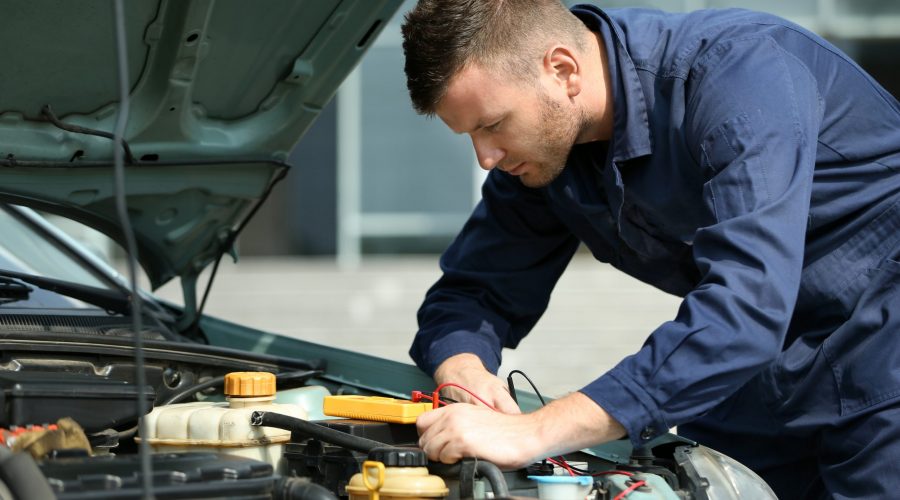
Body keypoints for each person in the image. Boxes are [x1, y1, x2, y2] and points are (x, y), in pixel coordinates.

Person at [401, 0, 900, 498]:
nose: (486, 158)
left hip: (882, 351)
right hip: (757, 378)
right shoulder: (544, 152)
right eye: (470, 136)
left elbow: (747, 308)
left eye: (491, 125)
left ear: (562, 70)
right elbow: (473, 291)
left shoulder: (737, 75)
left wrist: (534, 431)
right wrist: (462, 370)